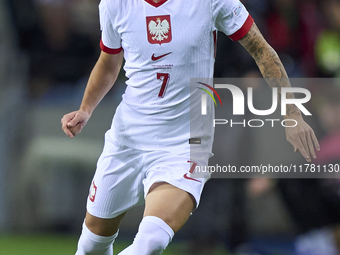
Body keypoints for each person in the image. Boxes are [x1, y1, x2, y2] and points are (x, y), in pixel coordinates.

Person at [61, 0, 320, 254]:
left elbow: (261, 50)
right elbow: (109, 61)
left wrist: (292, 113)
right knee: (91, 245)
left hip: (184, 144)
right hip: (127, 140)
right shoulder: (114, 4)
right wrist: (86, 109)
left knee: (150, 241)